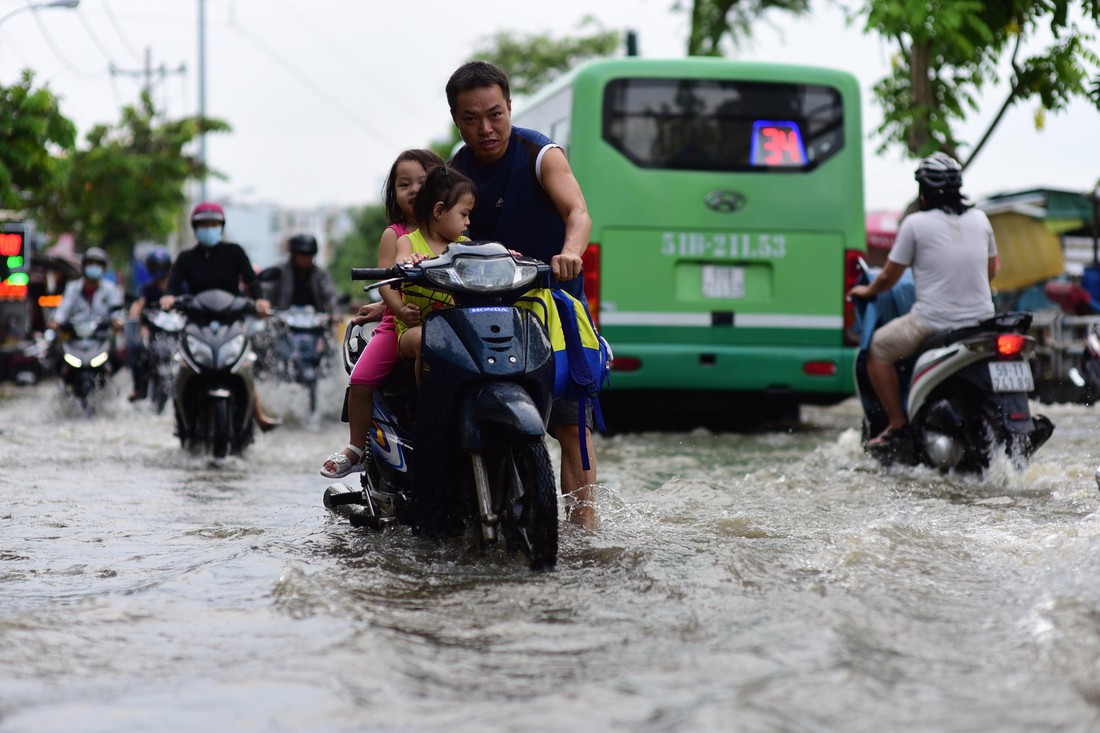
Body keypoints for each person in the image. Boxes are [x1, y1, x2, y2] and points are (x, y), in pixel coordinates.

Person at [446, 60, 599, 529]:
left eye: (495, 114)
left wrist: (570, 252)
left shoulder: (541, 154)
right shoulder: (457, 166)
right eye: (471, 119)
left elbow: (578, 211)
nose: (485, 129)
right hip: (487, 310)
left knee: (572, 428)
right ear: (456, 120)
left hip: (553, 310)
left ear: (510, 107)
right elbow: (434, 235)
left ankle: (585, 530)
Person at [846, 152, 998, 448]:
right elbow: (992, 270)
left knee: (877, 348)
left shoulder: (915, 224)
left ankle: (898, 426)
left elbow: (888, 278)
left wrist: (865, 292)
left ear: (923, 192)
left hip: (932, 322)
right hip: (983, 322)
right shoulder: (981, 219)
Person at [320, 148, 444, 478]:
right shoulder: (395, 234)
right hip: (399, 323)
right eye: (405, 185)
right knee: (360, 379)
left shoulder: (452, 232)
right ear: (394, 195)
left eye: (423, 181)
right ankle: (357, 447)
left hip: (447, 321)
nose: (415, 189)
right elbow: (386, 282)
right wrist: (400, 309)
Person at [160, 202, 281, 432]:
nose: (209, 228)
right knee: (182, 365)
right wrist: (168, 297)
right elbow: (173, 284)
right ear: (195, 228)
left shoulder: (234, 251)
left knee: (242, 364)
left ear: (221, 226)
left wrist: (260, 300)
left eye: (213, 224)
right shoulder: (186, 258)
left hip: (232, 321)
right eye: (203, 224)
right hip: (196, 323)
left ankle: (258, 413)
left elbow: (251, 281)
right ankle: (180, 416)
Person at [393, 164, 476, 377]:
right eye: (464, 214)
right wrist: (410, 262)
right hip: (414, 329)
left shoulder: (464, 245)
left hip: (456, 328)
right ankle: (429, 408)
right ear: (439, 211)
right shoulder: (408, 242)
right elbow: (400, 264)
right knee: (427, 341)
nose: (468, 222)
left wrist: (505, 256)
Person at [50, 247, 126, 347]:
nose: (94, 267)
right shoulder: (73, 287)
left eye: (98, 264)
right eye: (90, 264)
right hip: (74, 339)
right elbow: (63, 308)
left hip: (101, 340)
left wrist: (118, 321)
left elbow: (116, 310)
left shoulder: (110, 289)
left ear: (103, 268)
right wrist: (56, 321)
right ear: (84, 267)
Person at [127, 247, 172, 401]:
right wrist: (134, 317)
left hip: (175, 332)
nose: (158, 270)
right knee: (137, 350)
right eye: (154, 267)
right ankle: (139, 388)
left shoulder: (177, 287)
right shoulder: (147, 289)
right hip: (153, 332)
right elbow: (138, 304)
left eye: (160, 267)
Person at [266, 234, 340, 318]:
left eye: (309, 255)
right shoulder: (279, 271)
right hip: (282, 324)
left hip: (316, 325)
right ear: (293, 254)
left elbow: (330, 294)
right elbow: (267, 291)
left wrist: (335, 313)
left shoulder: (320, 274)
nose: (305, 259)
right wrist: (265, 308)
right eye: (302, 255)